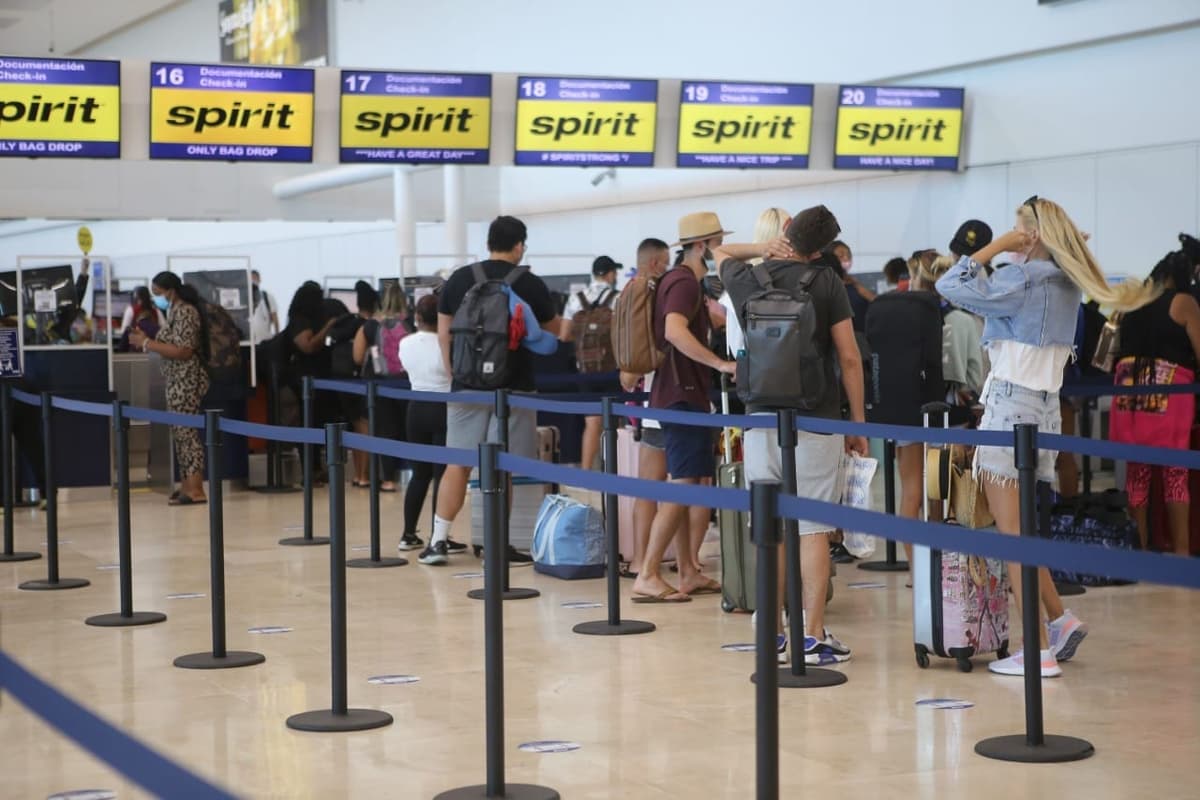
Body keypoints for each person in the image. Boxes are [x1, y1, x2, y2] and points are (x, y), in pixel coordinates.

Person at [936, 195, 1160, 678]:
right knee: (1026, 531)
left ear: (1029, 234)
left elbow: (948, 283)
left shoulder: (1020, 278)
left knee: (1011, 537)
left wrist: (998, 246)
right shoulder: (1065, 281)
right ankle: (1059, 620)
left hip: (1009, 407)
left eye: (1019, 230)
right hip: (1047, 410)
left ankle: (1036, 652)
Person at [717, 205, 867, 665]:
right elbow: (848, 358)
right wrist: (856, 423)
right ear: (820, 249)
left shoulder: (747, 278)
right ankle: (813, 633)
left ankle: (772, 627)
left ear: (785, 233)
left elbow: (718, 249)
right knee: (814, 528)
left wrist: (762, 249)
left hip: (761, 418)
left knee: (773, 527)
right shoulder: (826, 283)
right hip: (815, 419)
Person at [421, 216, 560, 566]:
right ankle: (496, 546)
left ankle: (438, 540)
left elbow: (444, 335)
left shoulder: (459, 280)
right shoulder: (529, 282)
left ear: (488, 243)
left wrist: (458, 376)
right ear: (519, 246)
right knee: (501, 467)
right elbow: (552, 333)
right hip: (514, 388)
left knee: (459, 463)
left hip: (466, 387)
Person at [629, 212, 735, 603]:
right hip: (681, 395)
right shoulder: (685, 283)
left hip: (683, 395)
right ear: (704, 245)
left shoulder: (683, 281)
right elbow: (674, 331)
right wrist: (720, 363)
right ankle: (650, 572)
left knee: (689, 483)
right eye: (719, 241)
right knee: (683, 484)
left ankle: (688, 570)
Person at [620, 237, 707, 578]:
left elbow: (629, 368)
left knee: (651, 485)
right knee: (690, 483)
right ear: (657, 262)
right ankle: (665, 569)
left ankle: (647, 561)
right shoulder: (675, 289)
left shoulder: (634, 295)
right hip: (676, 395)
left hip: (651, 400)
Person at [1109, 249, 1200, 554]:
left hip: (1129, 391)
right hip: (1169, 390)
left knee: (1138, 474)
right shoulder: (1183, 302)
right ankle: (1182, 554)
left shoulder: (1133, 301)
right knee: (1175, 473)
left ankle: (1140, 549)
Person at [865, 253, 945, 568]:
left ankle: (916, 563)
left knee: (910, 488)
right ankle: (929, 563)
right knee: (933, 491)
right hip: (929, 408)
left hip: (894, 406)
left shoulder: (890, 307)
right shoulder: (933, 311)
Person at [129, 272, 210, 506]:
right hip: (177, 380)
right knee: (181, 434)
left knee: (187, 434)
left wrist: (146, 343)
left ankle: (196, 489)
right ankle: (188, 486)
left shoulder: (185, 311)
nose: (156, 299)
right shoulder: (174, 311)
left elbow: (184, 350)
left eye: (158, 293)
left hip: (186, 380)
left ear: (171, 291)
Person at [397, 294, 458, 553]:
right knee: (441, 475)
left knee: (419, 474)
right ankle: (438, 535)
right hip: (444, 408)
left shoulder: (405, 343)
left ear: (417, 317)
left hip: (415, 407)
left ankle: (408, 533)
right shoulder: (448, 343)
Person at [561, 255, 621, 471]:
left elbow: (564, 335)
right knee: (616, 423)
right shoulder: (618, 298)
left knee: (592, 423)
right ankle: (616, 470)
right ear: (610, 274)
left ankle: (586, 473)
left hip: (585, 370)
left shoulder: (576, 299)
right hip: (610, 369)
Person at [353, 282, 410, 492]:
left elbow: (358, 357)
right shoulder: (412, 322)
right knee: (407, 428)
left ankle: (387, 479)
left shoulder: (370, 325)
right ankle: (413, 473)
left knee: (385, 431)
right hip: (406, 383)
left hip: (378, 384)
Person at [118, 287, 162, 352]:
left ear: (136, 297)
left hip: (136, 350)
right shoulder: (156, 311)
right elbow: (163, 329)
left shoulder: (131, 310)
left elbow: (124, 330)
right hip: (154, 350)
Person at [250, 269, 279, 344]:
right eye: (251, 278)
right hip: (249, 342)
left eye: (255, 277)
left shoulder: (268, 297)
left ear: (259, 279)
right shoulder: (244, 298)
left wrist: (277, 339)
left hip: (265, 340)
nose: (253, 280)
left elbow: (275, 318)